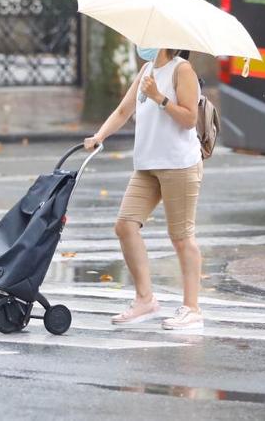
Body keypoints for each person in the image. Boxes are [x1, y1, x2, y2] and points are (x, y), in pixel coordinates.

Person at [84, 45, 205, 330]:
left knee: (181, 237)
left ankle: (192, 308)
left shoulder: (182, 70)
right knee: (125, 226)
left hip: (178, 165)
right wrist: (100, 135)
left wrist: (159, 98)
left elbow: (190, 119)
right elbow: (123, 110)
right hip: (147, 165)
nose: (143, 44)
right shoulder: (146, 70)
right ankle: (145, 300)